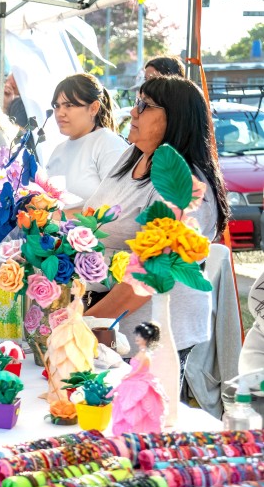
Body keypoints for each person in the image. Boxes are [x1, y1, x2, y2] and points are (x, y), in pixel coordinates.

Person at [85, 76, 231, 376]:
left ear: (175, 118)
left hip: (152, 330)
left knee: (141, 417)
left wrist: (85, 322)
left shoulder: (183, 186)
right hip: (111, 317)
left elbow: (146, 279)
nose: (133, 112)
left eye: (145, 105)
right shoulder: (133, 154)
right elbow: (97, 213)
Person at [45, 73, 128, 209]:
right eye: (57, 105)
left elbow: (116, 204)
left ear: (94, 108)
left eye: (69, 105)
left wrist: (58, 217)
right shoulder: (58, 150)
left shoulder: (109, 144)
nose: (60, 113)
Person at [108, 322, 167, 434]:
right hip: (133, 379)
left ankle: (140, 430)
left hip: (140, 381)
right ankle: (127, 430)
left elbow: (139, 370)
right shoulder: (141, 352)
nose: (137, 338)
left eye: (140, 336)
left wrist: (128, 376)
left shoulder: (146, 356)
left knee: (141, 404)